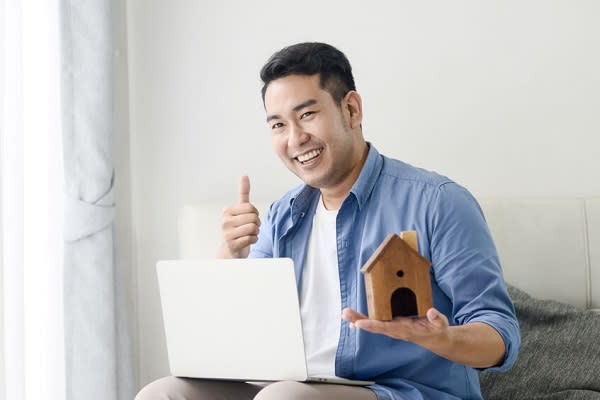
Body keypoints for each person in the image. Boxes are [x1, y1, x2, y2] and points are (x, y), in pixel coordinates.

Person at [136, 42, 520, 400]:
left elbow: (500, 334)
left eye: (307, 115)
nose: (295, 138)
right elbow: (242, 340)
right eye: (278, 125)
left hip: (397, 391)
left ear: (351, 109)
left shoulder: (438, 201)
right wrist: (230, 255)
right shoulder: (282, 215)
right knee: (165, 394)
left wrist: (441, 338)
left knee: (283, 397)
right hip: (293, 387)